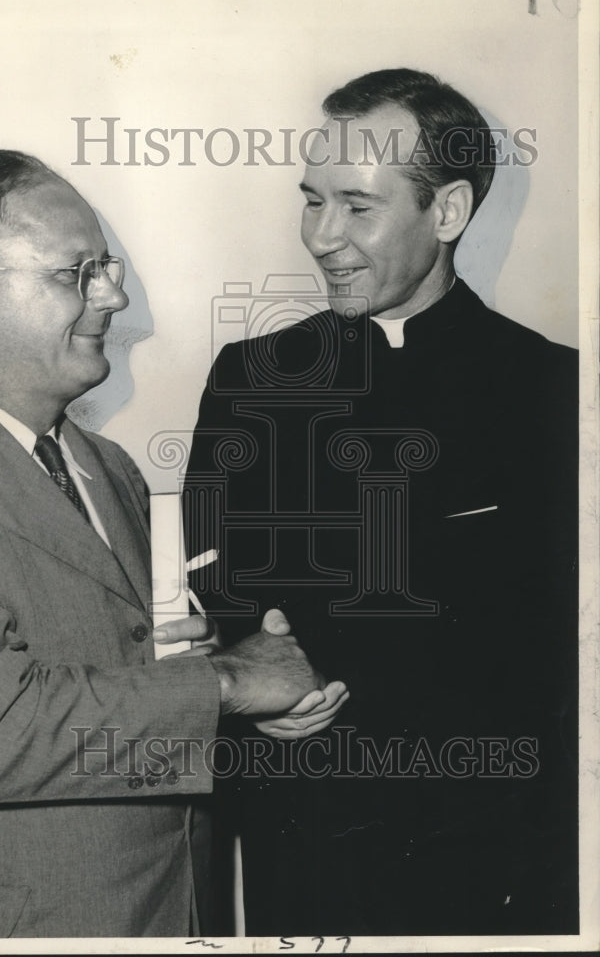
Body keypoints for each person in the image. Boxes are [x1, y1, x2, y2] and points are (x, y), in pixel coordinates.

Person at [0, 150, 330, 939]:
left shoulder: (110, 469)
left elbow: (120, 679)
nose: (115, 297)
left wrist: (224, 684)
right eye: (77, 273)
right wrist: (224, 684)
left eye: (108, 269)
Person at [184, 69, 578, 936]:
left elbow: (545, 643)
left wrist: (322, 672)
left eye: (357, 208)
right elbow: (220, 580)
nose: (323, 237)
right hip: (305, 839)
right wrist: (268, 683)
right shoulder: (250, 380)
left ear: (448, 214)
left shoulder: (553, 390)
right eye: (311, 200)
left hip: (495, 850)